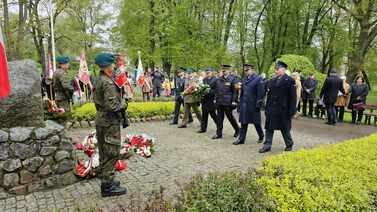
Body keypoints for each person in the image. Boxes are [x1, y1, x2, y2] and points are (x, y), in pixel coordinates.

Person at [93, 52, 128, 197]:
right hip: (109, 122)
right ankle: (107, 187)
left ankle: (108, 180)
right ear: (107, 67)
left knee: (104, 152)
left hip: (102, 120)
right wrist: (124, 103)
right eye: (112, 64)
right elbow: (113, 106)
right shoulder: (107, 82)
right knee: (111, 153)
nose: (114, 66)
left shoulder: (99, 78)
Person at [259, 60, 297, 153]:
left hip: (283, 110)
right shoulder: (272, 80)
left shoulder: (290, 80)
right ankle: (267, 145)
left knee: (284, 129)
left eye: (278, 69)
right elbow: (269, 95)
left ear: (283, 69)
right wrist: (267, 108)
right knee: (269, 128)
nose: (276, 71)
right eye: (276, 69)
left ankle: (289, 144)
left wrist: (292, 110)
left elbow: (293, 97)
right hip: (272, 108)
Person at [234, 64, 264, 145]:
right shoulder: (244, 79)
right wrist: (240, 103)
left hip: (253, 105)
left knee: (256, 122)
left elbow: (260, 93)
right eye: (245, 70)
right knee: (244, 122)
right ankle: (241, 139)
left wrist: (258, 104)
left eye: (248, 70)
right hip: (245, 104)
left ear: (252, 70)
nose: (246, 72)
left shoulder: (258, 79)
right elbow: (242, 93)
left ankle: (261, 135)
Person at [212, 64, 240, 140]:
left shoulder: (233, 79)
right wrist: (215, 98)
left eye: (226, 70)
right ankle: (219, 134)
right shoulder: (219, 79)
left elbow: (235, 91)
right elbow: (216, 90)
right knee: (219, 118)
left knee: (230, 117)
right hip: (220, 101)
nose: (224, 71)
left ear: (229, 71)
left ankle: (237, 130)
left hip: (228, 102)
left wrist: (234, 101)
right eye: (223, 70)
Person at [197, 67, 218, 133]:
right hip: (205, 100)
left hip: (211, 100)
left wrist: (209, 91)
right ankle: (203, 128)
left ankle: (219, 127)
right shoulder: (204, 79)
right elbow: (202, 88)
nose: (207, 74)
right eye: (207, 73)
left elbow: (216, 90)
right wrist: (202, 92)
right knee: (204, 115)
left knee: (213, 115)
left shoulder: (216, 80)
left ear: (212, 72)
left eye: (208, 72)